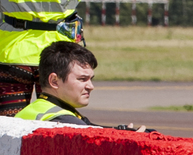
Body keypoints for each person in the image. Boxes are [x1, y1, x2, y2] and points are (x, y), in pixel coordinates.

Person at [14, 42, 152, 130]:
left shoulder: (33, 111)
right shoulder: (65, 122)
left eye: (90, 79)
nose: (90, 86)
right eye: (82, 79)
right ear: (54, 81)